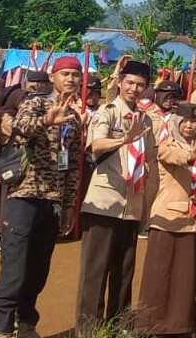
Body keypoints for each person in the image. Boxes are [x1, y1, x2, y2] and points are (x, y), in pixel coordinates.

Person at [0, 56, 85, 338]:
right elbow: (20, 130)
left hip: (53, 201)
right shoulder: (35, 102)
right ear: (53, 77)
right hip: (25, 197)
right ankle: (1, 328)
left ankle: (26, 322)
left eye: (74, 75)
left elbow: (73, 166)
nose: (70, 79)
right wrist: (47, 120)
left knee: (38, 270)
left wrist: (68, 205)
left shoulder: (76, 118)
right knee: (14, 267)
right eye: (64, 74)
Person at [77, 59, 156, 329]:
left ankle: (119, 325)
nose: (134, 89)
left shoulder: (145, 119)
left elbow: (150, 159)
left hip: (132, 204)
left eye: (140, 85)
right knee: (95, 271)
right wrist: (124, 139)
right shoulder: (107, 111)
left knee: (124, 271)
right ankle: (88, 329)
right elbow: (95, 145)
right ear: (120, 83)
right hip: (104, 202)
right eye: (130, 83)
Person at [134, 103, 196, 336]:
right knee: (159, 275)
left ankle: (179, 326)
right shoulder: (168, 145)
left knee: (183, 278)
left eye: (194, 121)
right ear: (175, 123)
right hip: (166, 219)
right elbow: (172, 157)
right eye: (184, 121)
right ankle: (150, 325)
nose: (189, 126)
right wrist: (190, 155)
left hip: (192, 220)